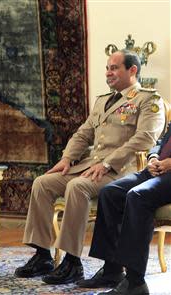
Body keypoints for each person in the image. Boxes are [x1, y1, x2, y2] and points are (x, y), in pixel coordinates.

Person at [15, 50, 166, 285]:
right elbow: (83, 134)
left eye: (114, 68)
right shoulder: (103, 100)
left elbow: (145, 139)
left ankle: (72, 262)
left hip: (121, 170)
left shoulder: (148, 100)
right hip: (90, 166)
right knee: (42, 183)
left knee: (78, 187)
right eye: (107, 68)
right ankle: (42, 255)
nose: (108, 72)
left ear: (132, 70)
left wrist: (107, 163)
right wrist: (67, 159)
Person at [77, 122, 171, 294]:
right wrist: (153, 158)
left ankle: (135, 282)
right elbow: (161, 141)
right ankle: (112, 271)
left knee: (137, 196)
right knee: (110, 193)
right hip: (156, 170)